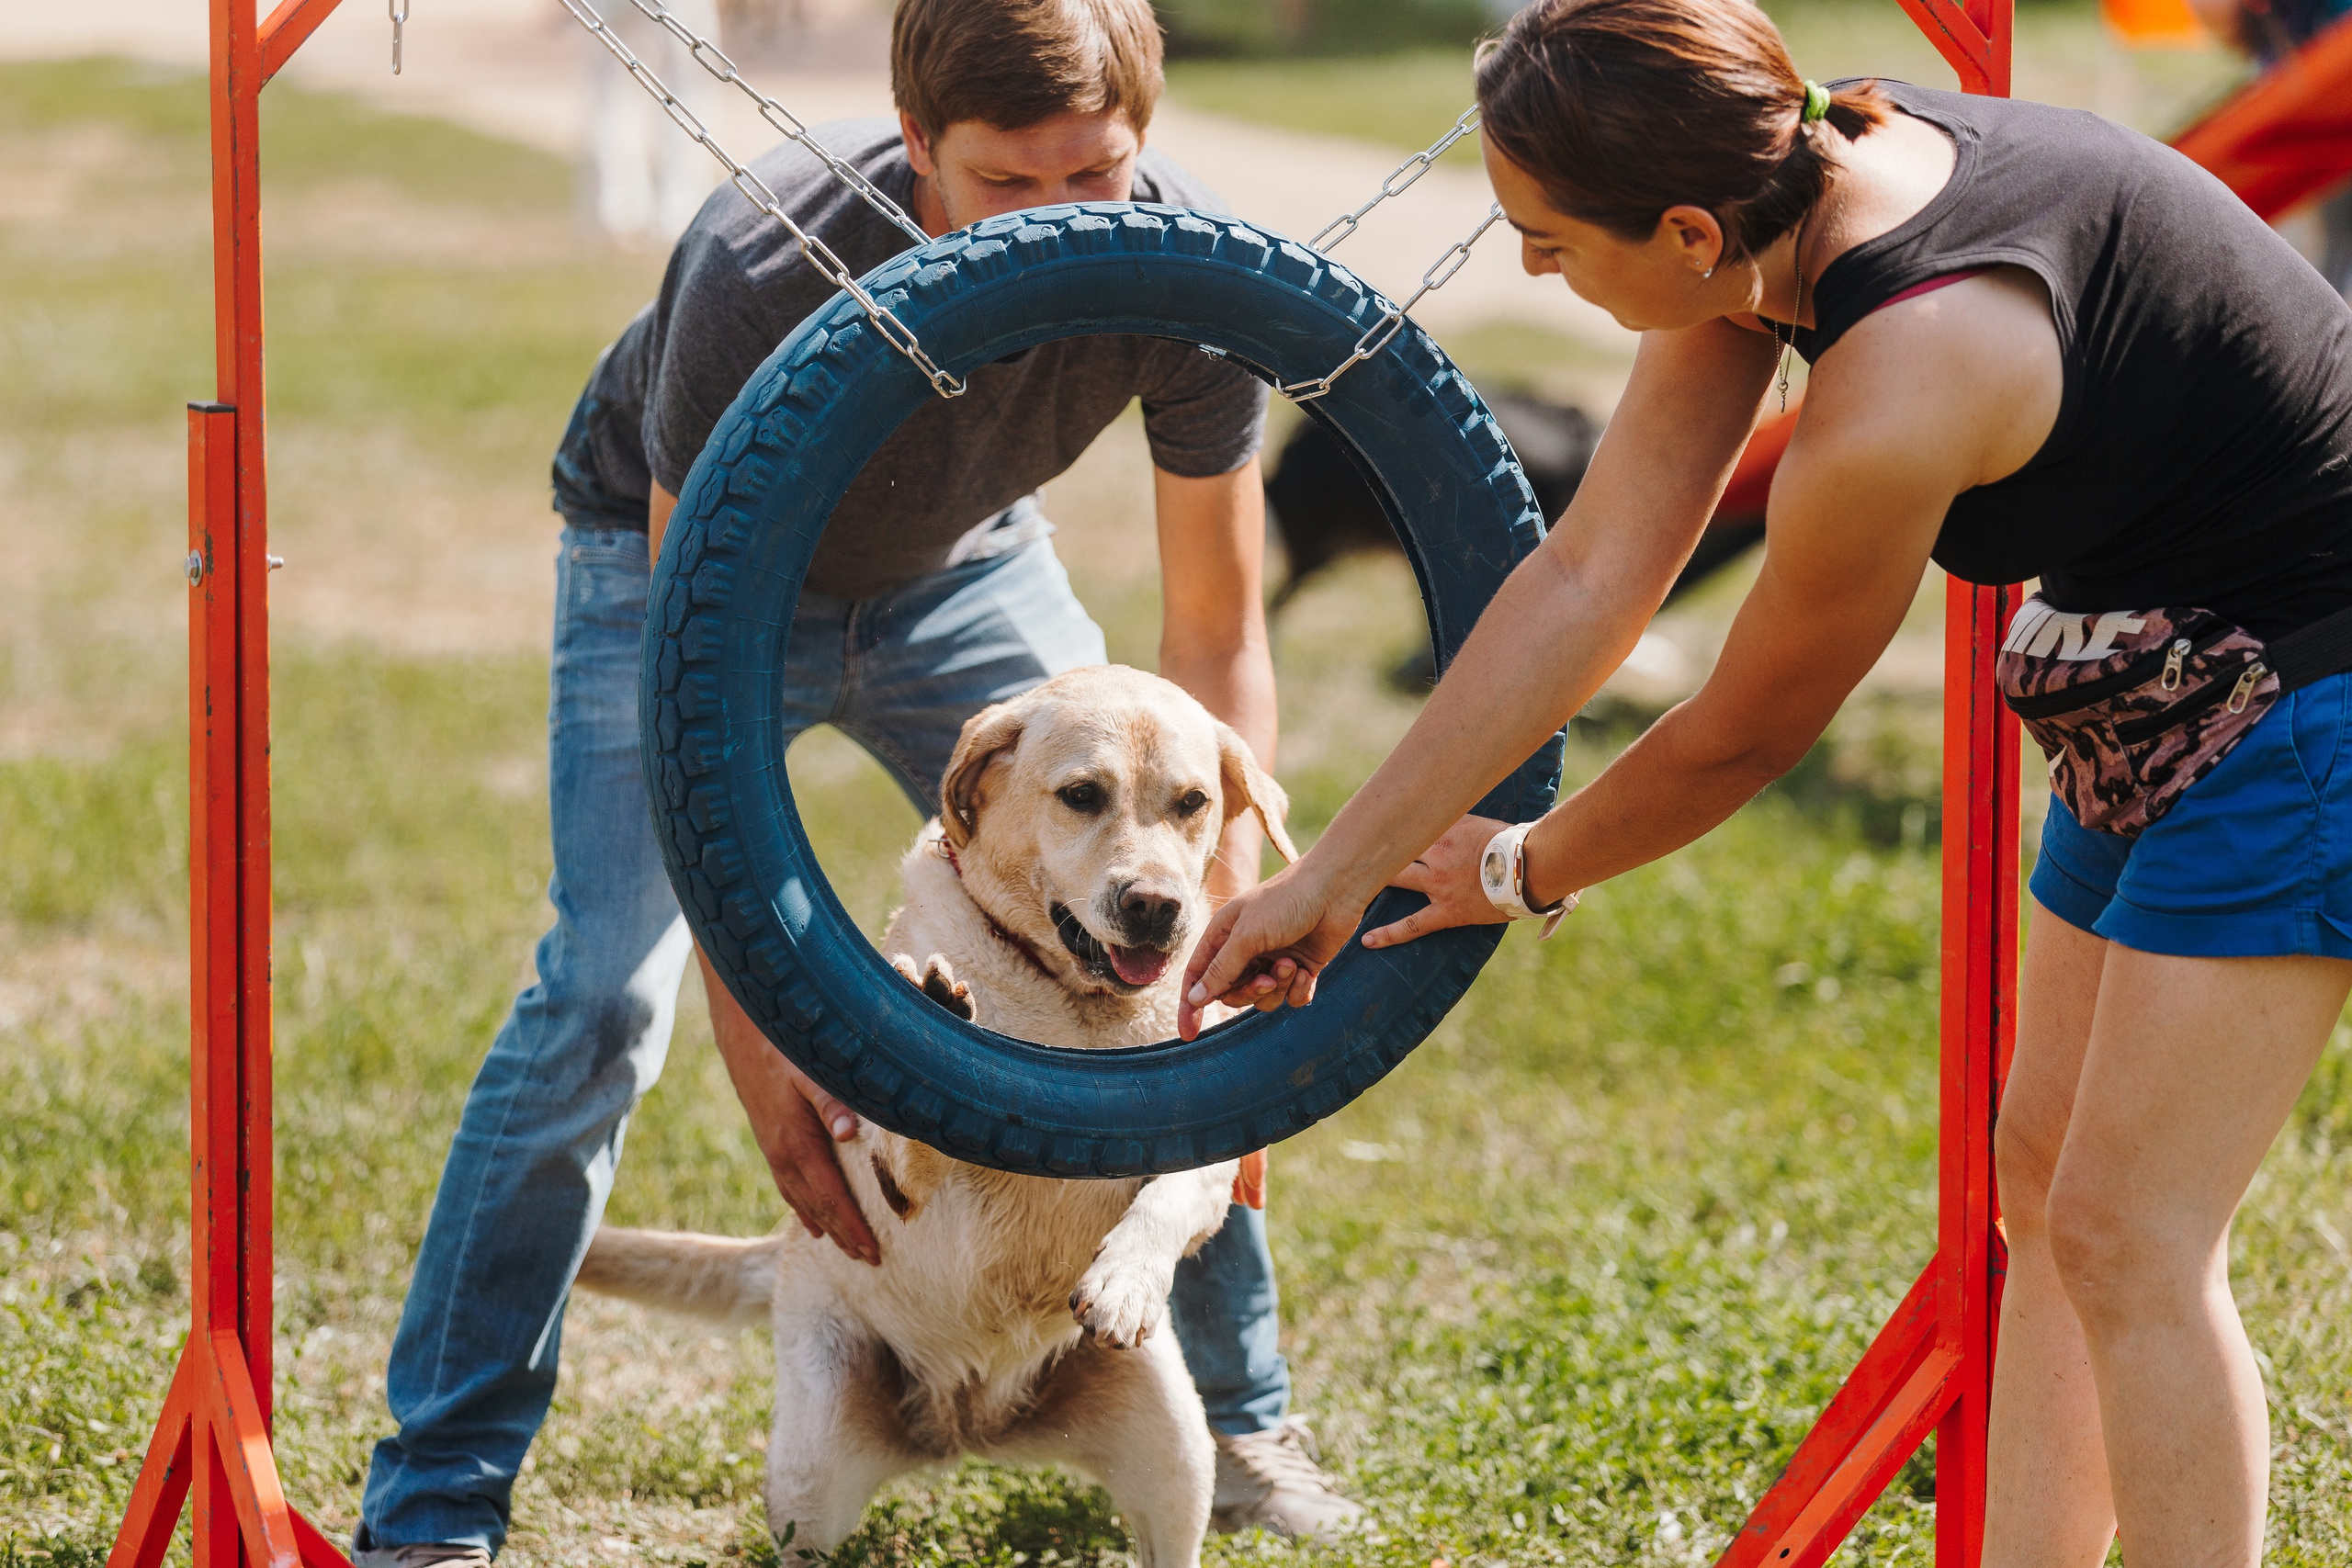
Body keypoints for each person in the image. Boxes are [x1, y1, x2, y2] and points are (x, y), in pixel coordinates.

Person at [1180, 1, 2352, 1563]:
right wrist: (1331, 876)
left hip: (2311, 695)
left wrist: (1526, 866)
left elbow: (1743, 730)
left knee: (2135, 1235)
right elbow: (1593, 577)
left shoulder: (1912, 368)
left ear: (1677, 228)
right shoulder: (1778, 191)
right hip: (2152, 666)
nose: (1531, 272)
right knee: (2044, 1187)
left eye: (1547, 241)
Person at [353, 0, 1363, 1559]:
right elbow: (709, 688)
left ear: (1143, 147)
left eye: (1093, 180)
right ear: (919, 152)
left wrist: (1225, 968)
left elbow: (1216, 639)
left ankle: (1240, 1424)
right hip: (673, 581)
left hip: (961, 572)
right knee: (602, 999)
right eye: (1004, 192)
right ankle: (441, 1491)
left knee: (1143, 991)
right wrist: (769, 1051)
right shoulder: (765, 262)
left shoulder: (1184, 278)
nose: (1058, 230)